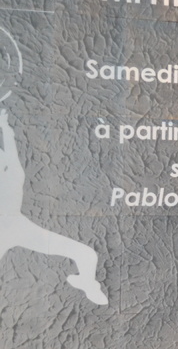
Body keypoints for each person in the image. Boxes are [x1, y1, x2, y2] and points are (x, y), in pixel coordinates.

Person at [0, 108, 107, 305]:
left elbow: (11, 155)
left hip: (18, 226)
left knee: (87, 254)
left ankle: (87, 283)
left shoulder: (14, 173)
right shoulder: (11, 171)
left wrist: (5, 127)